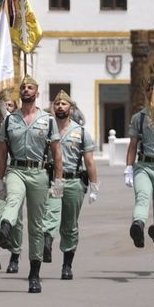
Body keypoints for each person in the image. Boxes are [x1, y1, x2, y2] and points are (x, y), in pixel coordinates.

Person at [0, 77, 60, 292]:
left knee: (36, 226)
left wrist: (59, 181)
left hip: (39, 173)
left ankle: (34, 272)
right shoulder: (10, 120)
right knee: (13, 200)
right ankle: (5, 227)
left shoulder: (48, 120)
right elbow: (2, 154)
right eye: (23, 87)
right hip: (16, 170)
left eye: (30, 87)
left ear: (37, 93)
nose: (26, 90)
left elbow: (57, 154)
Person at [41, 90, 98, 280]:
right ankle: (47, 242)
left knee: (70, 225)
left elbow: (89, 161)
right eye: (57, 104)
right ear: (53, 107)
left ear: (71, 108)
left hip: (73, 181)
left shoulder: (80, 132)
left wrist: (94, 186)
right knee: (51, 214)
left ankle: (67, 264)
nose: (60, 106)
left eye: (64, 104)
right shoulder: (45, 128)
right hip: (52, 180)